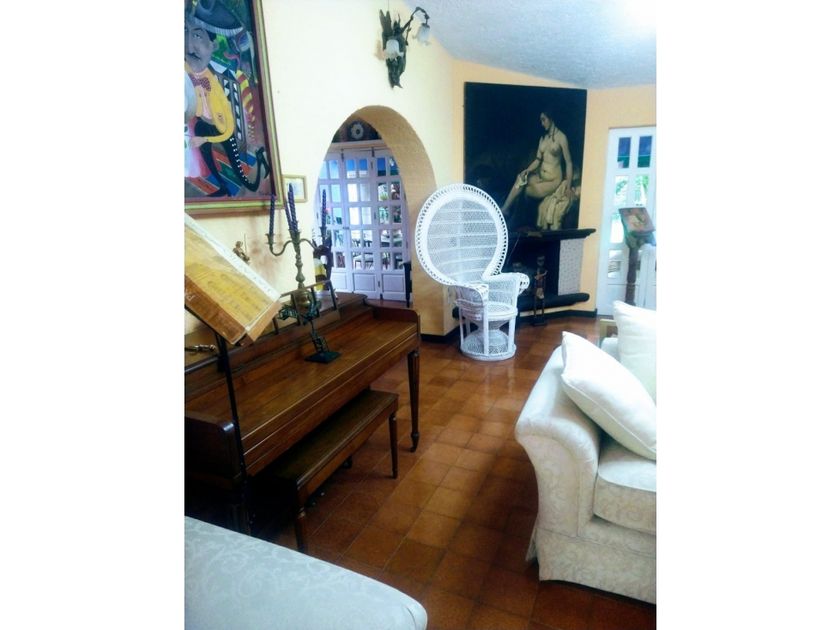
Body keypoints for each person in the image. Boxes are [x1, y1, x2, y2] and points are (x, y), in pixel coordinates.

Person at [184, 3, 268, 197]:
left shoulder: (216, 90)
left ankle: (261, 162)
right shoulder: (190, 70)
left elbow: (228, 130)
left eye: (198, 36)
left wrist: (205, 139)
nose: (189, 46)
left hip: (223, 131)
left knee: (244, 179)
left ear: (213, 46)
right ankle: (222, 186)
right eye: (185, 33)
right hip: (204, 125)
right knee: (204, 145)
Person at [500, 110, 573, 224]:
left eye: (544, 120)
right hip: (541, 176)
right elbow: (538, 160)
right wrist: (527, 170)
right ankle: (505, 209)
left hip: (553, 181)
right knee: (521, 178)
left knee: (526, 191)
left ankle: (514, 220)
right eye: (541, 120)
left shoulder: (561, 137)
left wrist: (568, 187)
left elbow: (569, 163)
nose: (542, 123)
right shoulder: (543, 138)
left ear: (551, 118)